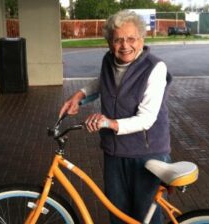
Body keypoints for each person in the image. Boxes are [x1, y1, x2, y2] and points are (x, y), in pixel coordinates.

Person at [59, 10, 172, 224]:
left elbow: (147, 118)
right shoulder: (109, 61)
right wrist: (79, 95)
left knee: (146, 217)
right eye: (118, 39)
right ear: (110, 42)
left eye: (131, 39)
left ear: (141, 39)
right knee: (117, 213)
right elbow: (104, 82)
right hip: (114, 152)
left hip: (147, 154)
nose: (125, 45)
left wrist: (109, 123)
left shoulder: (155, 68)